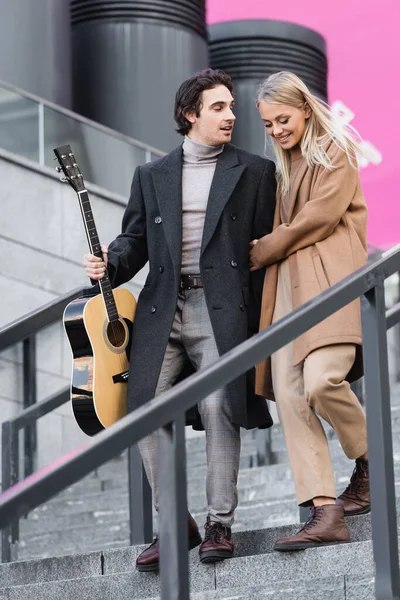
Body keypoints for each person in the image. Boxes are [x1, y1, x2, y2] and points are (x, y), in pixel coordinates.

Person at [84, 69, 276, 568]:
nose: (231, 114)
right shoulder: (152, 175)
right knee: (143, 405)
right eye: (218, 107)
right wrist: (110, 260)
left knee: (219, 405)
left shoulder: (254, 172)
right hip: (163, 307)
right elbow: (135, 242)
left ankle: (219, 524)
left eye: (232, 106)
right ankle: (174, 523)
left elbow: (266, 249)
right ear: (190, 114)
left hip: (223, 309)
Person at [249, 71, 370, 551]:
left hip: (325, 283)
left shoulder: (334, 150)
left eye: (283, 119)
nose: (277, 130)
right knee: (292, 398)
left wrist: (265, 248)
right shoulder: (278, 168)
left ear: (304, 108)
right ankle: (324, 510)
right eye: (268, 124)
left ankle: (369, 462)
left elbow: (319, 216)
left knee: (323, 380)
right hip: (283, 292)